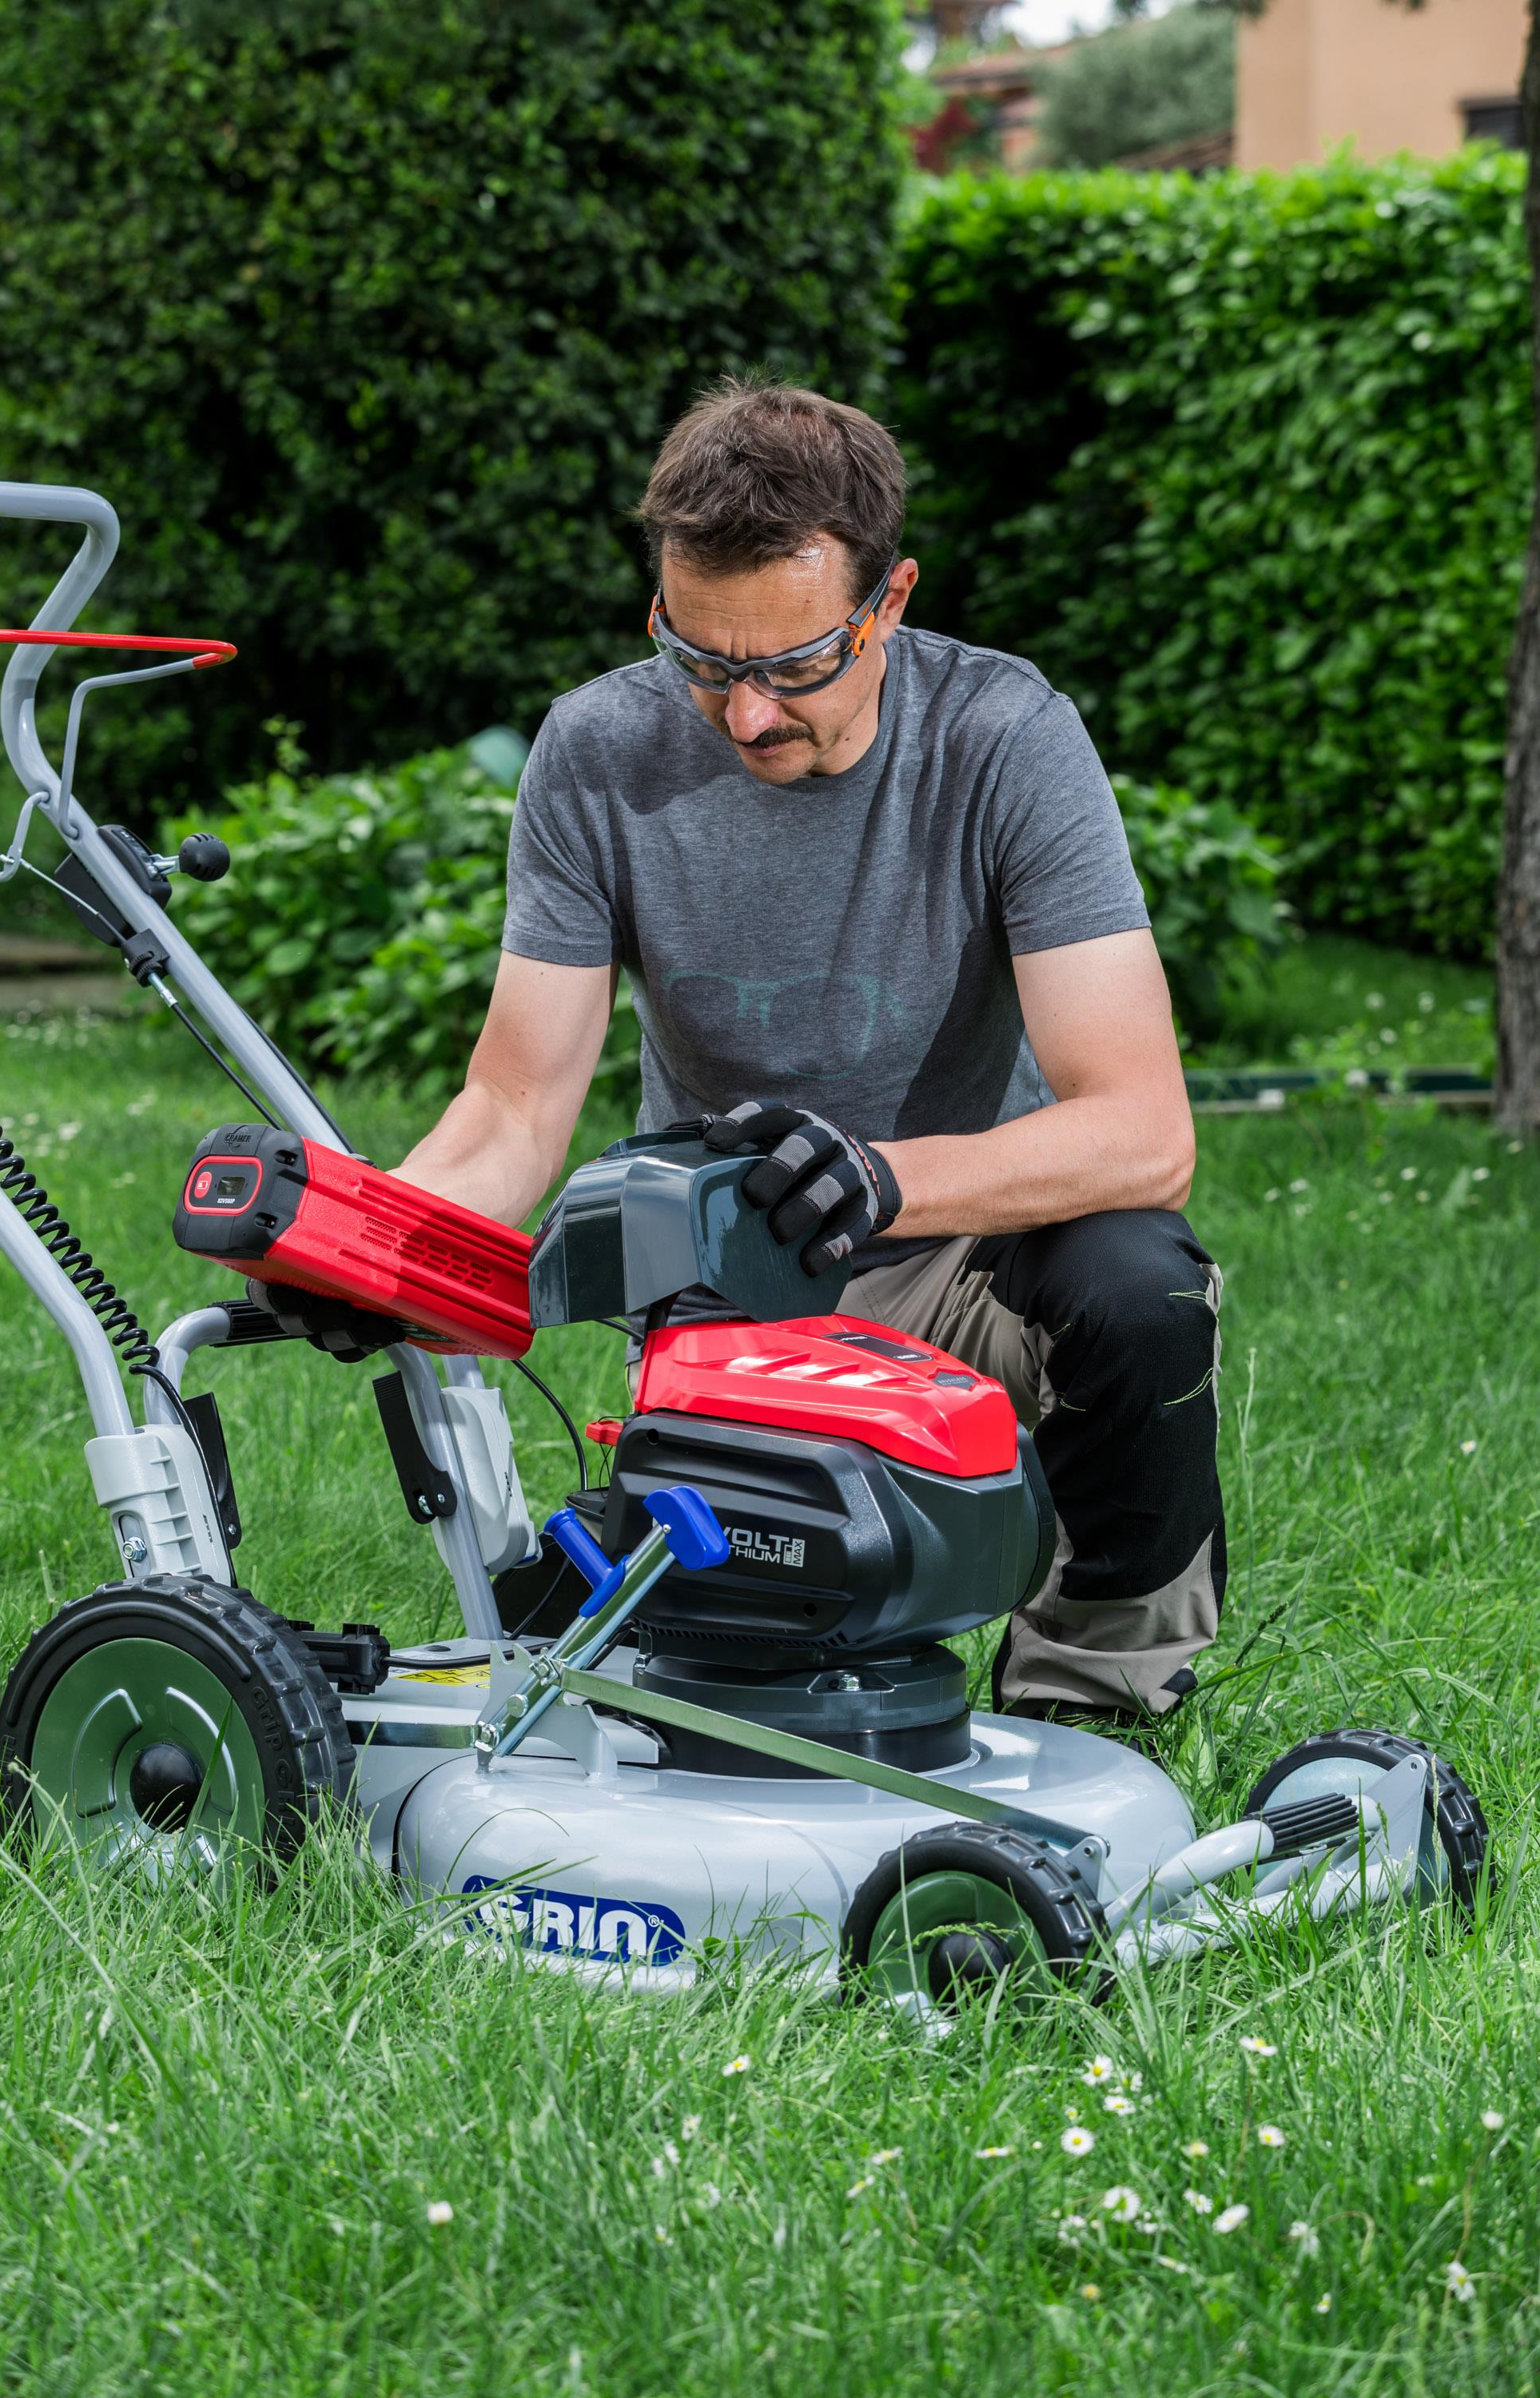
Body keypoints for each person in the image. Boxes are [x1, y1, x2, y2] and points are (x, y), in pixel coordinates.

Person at [366, 378, 1223, 1721]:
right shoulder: (597, 751)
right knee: (744, 1686)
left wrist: (883, 1178)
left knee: (1139, 1288)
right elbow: (513, 1106)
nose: (746, 715)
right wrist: (378, 1257)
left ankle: (1096, 1700)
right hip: (734, 1283)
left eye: (793, 666)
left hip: (962, 1258)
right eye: (701, 661)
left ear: (889, 603)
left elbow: (1143, 1132)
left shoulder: (1005, 738)